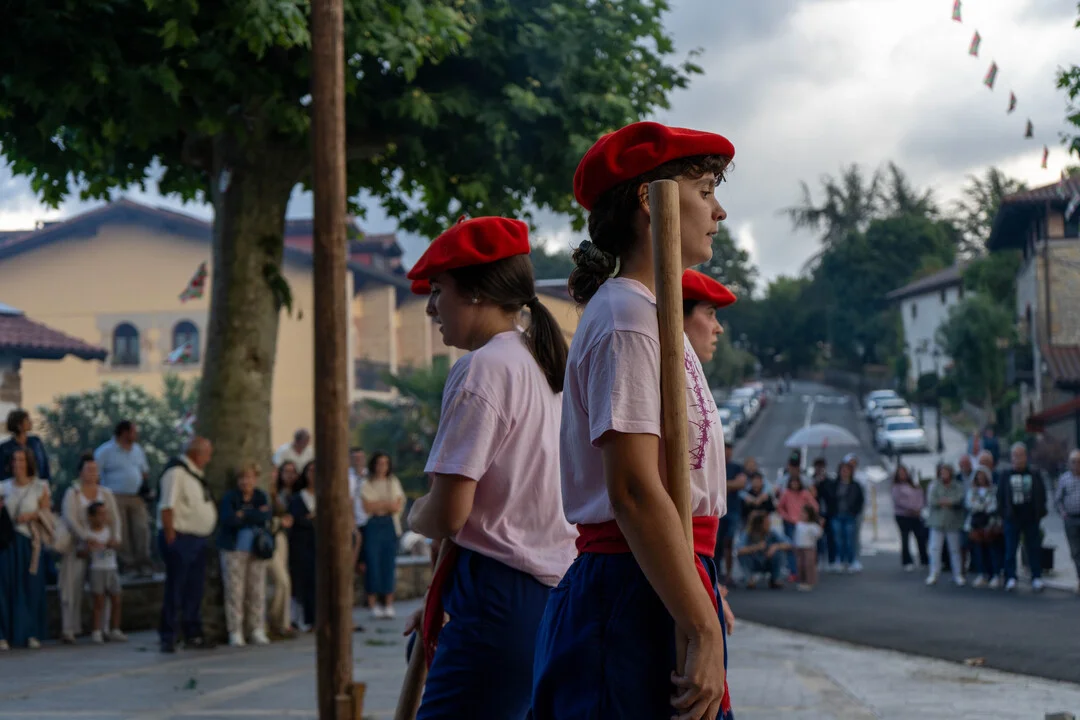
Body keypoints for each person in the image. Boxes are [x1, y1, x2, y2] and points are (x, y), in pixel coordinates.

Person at [530, 121, 736, 720]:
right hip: (629, 587)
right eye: (704, 191)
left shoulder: (650, 314)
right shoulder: (627, 316)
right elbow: (634, 489)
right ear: (652, 200)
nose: (719, 211)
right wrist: (700, 624)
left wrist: (700, 599)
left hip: (660, 576)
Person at [400, 215, 577, 720]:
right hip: (544, 596)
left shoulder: (482, 369)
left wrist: (416, 513)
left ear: (476, 292)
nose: (431, 307)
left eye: (439, 290)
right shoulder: (540, 362)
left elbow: (448, 513)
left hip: (497, 597)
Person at [157, 437, 217, 653]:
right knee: (176, 587)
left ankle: (193, 632)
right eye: (206, 453)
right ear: (195, 453)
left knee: (195, 588)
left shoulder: (196, 475)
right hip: (181, 537)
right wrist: (171, 536)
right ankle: (169, 635)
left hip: (197, 539)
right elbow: (167, 505)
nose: (209, 458)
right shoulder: (176, 473)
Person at [59, 452, 122, 643]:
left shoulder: (106, 493)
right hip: (78, 546)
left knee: (105, 588)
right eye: (88, 469)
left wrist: (115, 537)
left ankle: (105, 627)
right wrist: (86, 537)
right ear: (81, 472)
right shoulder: (73, 493)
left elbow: (115, 518)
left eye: (95, 469)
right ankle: (69, 628)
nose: (93, 473)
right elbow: (70, 518)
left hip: (103, 548)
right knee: (72, 586)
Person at [216, 464, 272, 647]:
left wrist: (244, 514)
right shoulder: (230, 498)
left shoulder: (261, 496)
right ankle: (235, 630)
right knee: (235, 590)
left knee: (257, 589)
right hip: (234, 548)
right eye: (242, 478)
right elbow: (229, 519)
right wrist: (251, 514)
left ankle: (257, 628)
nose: (245, 482)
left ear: (255, 479)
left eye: (249, 477)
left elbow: (265, 516)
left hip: (257, 549)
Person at [0, 447, 50, 649]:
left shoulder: (40, 486)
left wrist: (32, 515)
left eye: (21, 460)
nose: (17, 464)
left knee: (30, 586)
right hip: (6, 543)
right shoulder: (3, 487)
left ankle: (30, 632)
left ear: (28, 463)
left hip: (30, 541)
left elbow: (47, 513)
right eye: (14, 460)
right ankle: (4, 635)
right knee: (5, 587)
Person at [94, 421, 153, 576]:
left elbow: (144, 471)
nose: (136, 435)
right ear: (124, 433)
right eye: (133, 432)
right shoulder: (105, 451)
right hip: (115, 496)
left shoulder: (137, 450)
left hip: (136, 496)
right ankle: (128, 565)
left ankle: (144, 563)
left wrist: (145, 487)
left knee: (141, 529)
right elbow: (96, 474)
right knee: (122, 532)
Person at [996, 442, 1048, 593]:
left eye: (1020, 455)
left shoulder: (1034, 474)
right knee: (1011, 549)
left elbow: (1042, 494)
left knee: (1033, 548)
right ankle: (1011, 577)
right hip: (1012, 518)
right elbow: (1000, 496)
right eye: (1015, 455)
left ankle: (1036, 577)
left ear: (1026, 456)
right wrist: (1003, 514)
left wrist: (1040, 512)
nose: (1018, 458)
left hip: (1031, 517)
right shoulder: (1005, 475)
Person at [360, 451, 405, 619]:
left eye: (385, 463)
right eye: (379, 463)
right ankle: (373, 604)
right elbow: (367, 507)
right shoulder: (367, 482)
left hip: (389, 524)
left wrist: (379, 504)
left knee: (388, 564)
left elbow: (396, 505)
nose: (382, 467)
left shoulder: (393, 482)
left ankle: (388, 603)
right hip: (373, 524)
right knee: (372, 563)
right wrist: (386, 504)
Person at [84, 501, 126, 643]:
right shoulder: (88, 533)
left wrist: (112, 544)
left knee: (116, 599)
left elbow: (117, 544)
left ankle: (115, 629)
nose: (103, 517)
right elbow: (81, 552)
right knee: (98, 601)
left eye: (104, 514)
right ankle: (96, 630)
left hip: (111, 567)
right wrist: (90, 548)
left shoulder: (110, 530)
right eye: (99, 514)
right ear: (92, 517)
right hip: (97, 569)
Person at [287, 461, 317, 632]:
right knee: (305, 581)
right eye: (311, 471)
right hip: (302, 544)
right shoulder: (298, 497)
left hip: (319, 544)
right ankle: (306, 619)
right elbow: (296, 519)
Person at [926, 463, 966, 587]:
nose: (944, 475)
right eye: (942, 472)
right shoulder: (934, 485)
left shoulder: (957, 486)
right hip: (937, 522)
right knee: (934, 549)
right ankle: (934, 573)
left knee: (954, 549)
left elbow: (959, 498)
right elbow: (932, 500)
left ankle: (957, 574)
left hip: (952, 522)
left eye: (946, 472)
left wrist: (948, 501)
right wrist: (945, 502)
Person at [735, 510, 789, 589]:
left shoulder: (772, 533)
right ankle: (749, 579)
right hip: (754, 562)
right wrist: (756, 547)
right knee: (742, 556)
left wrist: (775, 546)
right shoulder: (747, 534)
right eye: (766, 522)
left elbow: (789, 543)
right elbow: (738, 550)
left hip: (767, 561)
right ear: (759, 524)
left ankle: (775, 579)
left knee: (779, 553)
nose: (769, 524)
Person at [890, 464, 928, 572]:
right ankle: (907, 561)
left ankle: (924, 560)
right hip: (903, 515)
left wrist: (918, 508)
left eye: (904, 473)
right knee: (905, 538)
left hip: (916, 515)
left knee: (920, 537)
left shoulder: (914, 485)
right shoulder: (896, 487)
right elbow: (898, 501)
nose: (902, 475)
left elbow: (921, 497)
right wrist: (911, 509)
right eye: (900, 473)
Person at [1054, 449, 1080, 595]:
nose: (1076, 465)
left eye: (1079, 462)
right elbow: (1058, 500)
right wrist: (1063, 513)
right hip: (1071, 519)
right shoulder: (1064, 479)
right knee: (1076, 551)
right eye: (1073, 462)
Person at [793, 504, 823, 592]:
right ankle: (802, 581)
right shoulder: (799, 524)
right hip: (799, 547)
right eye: (801, 513)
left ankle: (809, 582)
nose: (802, 515)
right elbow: (796, 536)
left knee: (808, 565)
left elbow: (818, 535)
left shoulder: (813, 526)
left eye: (805, 513)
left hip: (809, 548)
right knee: (800, 565)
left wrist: (820, 526)